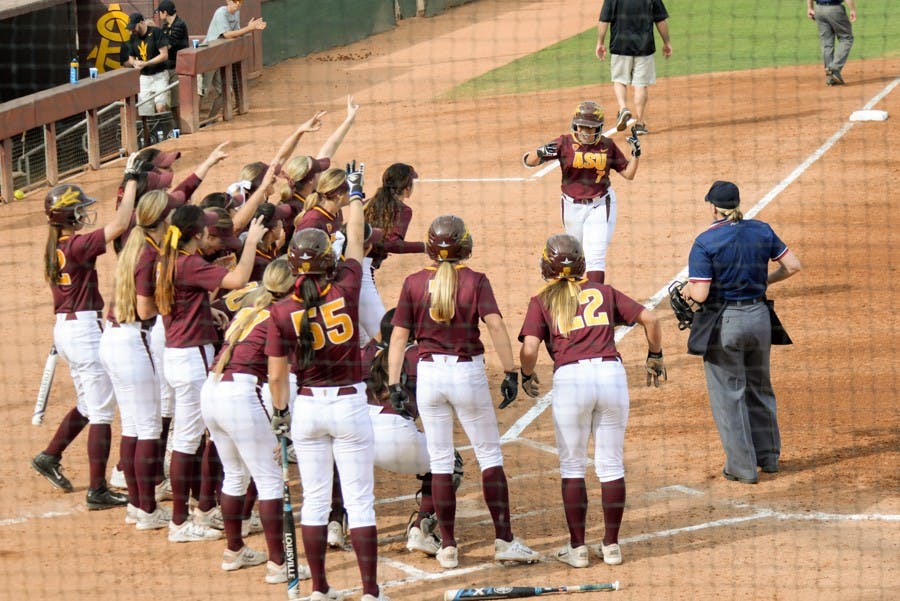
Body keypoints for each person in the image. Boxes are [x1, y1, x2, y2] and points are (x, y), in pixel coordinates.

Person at [387, 215, 540, 570]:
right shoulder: (475, 281)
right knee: (489, 456)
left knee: (439, 461)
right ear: (464, 245)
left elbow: (398, 337)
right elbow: (496, 325)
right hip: (465, 373)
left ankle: (449, 547)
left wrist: (395, 382)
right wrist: (510, 371)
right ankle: (504, 540)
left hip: (428, 376)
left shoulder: (412, 283)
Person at [266, 167, 390, 601]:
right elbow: (356, 240)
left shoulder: (281, 311)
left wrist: (281, 415)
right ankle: (371, 592)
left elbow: (277, 375)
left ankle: (319, 589)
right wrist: (356, 194)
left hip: (307, 409)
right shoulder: (349, 285)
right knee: (359, 502)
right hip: (350, 404)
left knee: (315, 501)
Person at [517, 233, 664, 568]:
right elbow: (651, 319)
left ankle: (578, 549)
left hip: (571, 381)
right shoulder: (604, 291)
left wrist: (526, 374)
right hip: (611, 376)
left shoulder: (542, 300)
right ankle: (611, 547)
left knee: (572, 466)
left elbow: (529, 349)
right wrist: (655, 354)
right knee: (610, 465)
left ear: (546, 267)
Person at [30, 155, 142, 509]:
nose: (84, 214)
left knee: (89, 402)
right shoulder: (76, 246)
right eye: (79, 209)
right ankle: (97, 490)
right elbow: (121, 224)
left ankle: (50, 456)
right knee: (102, 412)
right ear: (68, 217)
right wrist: (131, 180)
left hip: (69, 329)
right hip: (82, 333)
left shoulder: (58, 246)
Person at [155, 204, 267, 542]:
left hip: (179, 353)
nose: (210, 233)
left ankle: (201, 509)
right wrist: (251, 242)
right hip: (190, 359)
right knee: (190, 441)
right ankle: (180, 522)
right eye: (205, 229)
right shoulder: (188, 263)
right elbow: (238, 279)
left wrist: (207, 314)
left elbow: (185, 304)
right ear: (197, 235)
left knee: (195, 438)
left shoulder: (169, 260)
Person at [680, 181, 801, 484]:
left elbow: (702, 293)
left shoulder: (705, 242)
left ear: (712, 207)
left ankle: (742, 468)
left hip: (726, 324)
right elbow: (793, 266)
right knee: (759, 388)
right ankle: (769, 458)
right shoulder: (761, 229)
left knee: (729, 396)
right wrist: (765, 282)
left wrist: (687, 290)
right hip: (760, 319)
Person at [200, 257, 312, 585]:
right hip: (238, 396)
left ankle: (234, 551)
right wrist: (282, 419)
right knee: (270, 481)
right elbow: (278, 377)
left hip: (212, 391)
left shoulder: (250, 309)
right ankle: (280, 564)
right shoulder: (284, 315)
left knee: (235, 475)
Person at [99, 189, 181, 529]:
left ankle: (137, 505)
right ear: (161, 220)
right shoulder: (148, 254)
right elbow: (147, 309)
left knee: (133, 426)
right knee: (147, 429)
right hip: (133, 341)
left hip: (115, 340)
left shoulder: (134, 246)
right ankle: (147, 509)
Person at [522, 101, 640, 284]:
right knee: (574, 255)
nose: (585, 131)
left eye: (590, 128)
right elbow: (529, 162)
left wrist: (636, 154)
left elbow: (629, 174)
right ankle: (575, 298)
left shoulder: (607, 145)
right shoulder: (564, 143)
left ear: (598, 129)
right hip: (571, 207)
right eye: (582, 127)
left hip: (600, 204)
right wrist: (540, 151)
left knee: (595, 256)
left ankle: (596, 300)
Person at [360, 163, 426, 343]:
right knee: (384, 336)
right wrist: (425, 247)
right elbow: (393, 244)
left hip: (347, 265)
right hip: (362, 272)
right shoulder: (403, 210)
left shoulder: (368, 203)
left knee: (361, 336)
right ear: (407, 188)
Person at [596, 0, 672, 135]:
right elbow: (660, 20)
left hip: (620, 46)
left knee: (619, 80)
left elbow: (603, 20)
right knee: (640, 85)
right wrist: (667, 43)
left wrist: (600, 43)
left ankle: (623, 107)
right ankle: (640, 123)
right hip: (644, 47)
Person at [202, 0, 267, 120]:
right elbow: (227, 35)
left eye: (240, 1)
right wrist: (249, 28)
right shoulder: (221, 12)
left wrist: (250, 27)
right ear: (228, 1)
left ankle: (208, 121)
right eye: (235, 1)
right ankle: (192, 124)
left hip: (220, 57)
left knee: (226, 92)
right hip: (208, 56)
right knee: (202, 91)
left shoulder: (236, 12)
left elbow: (235, 33)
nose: (238, 4)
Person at [124, 12, 171, 147]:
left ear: (141, 22)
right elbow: (130, 57)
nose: (132, 30)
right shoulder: (133, 37)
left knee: (160, 106)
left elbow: (164, 55)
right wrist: (134, 63)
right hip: (144, 77)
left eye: (134, 26)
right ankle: (149, 141)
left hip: (159, 74)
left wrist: (146, 63)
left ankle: (166, 137)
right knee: (145, 112)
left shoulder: (156, 33)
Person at [807, 0, 856, 85]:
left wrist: (810, 8)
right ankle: (834, 68)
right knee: (846, 38)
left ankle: (831, 78)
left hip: (819, 9)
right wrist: (852, 10)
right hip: (835, 9)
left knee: (826, 43)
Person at [155, 1, 188, 126]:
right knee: (164, 101)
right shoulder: (165, 26)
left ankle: (180, 127)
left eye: (160, 12)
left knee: (175, 101)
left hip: (177, 67)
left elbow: (168, 45)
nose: (159, 15)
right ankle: (171, 128)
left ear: (165, 12)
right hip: (166, 68)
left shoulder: (179, 25)